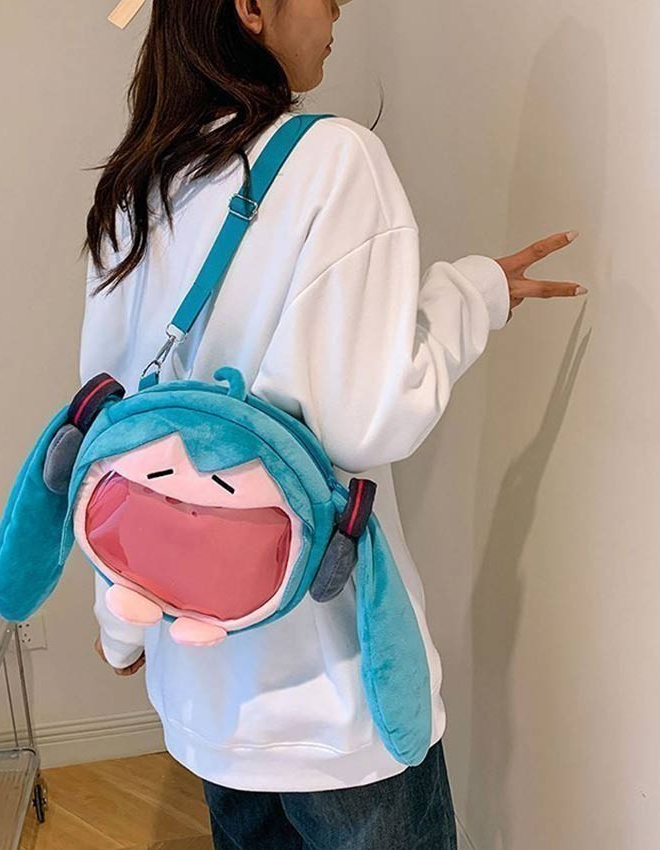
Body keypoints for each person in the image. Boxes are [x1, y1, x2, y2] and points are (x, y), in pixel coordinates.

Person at [83, 1, 587, 847]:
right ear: (252, 8)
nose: (339, 8)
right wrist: (466, 298)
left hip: (201, 679)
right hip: (330, 688)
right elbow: (365, 421)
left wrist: (118, 626)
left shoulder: (137, 183)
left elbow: (109, 431)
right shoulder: (333, 158)